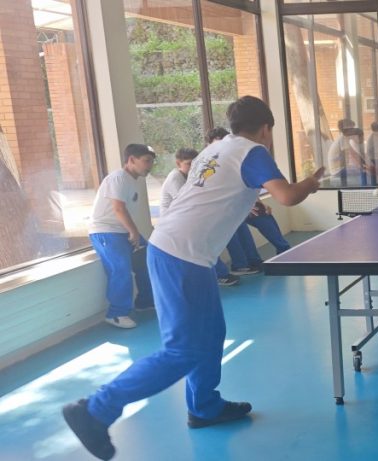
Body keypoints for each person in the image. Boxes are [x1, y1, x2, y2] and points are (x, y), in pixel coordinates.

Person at [62, 96, 325, 461]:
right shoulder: (254, 151)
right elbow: (288, 196)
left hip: (180, 250)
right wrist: (310, 182)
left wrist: (249, 200)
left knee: (212, 333)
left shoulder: (216, 149)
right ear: (266, 129)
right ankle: (94, 409)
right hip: (181, 255)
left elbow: (216, 191)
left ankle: (205, 407)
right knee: (183, 350)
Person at [88, 144, 156, 329]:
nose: (150, 166)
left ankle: (145, 301)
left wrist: (132, 231)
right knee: (121, 269)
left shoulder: (132, 181)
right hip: (106, 231)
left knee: (149, 259)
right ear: (131, 160)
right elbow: (118, 209)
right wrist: (134, 232)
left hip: (122, 231)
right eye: (146, 161)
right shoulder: (118, 178)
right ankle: (116, 313)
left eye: (151, 162)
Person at [160, 147, 239, 287]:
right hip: (173, 223)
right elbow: (188, 201)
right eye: (188, 164)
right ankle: (220, 274)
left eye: (195, 163)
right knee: (203, 243)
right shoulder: (175, 178)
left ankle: (221, 272)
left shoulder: (193, 176)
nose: (192, 167)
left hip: (186, 218)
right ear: (178, 163)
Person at [206, 127, 261, 275]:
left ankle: (253, 260)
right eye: (216, 143)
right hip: (211, 212)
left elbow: (243, 185)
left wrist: (251, 204)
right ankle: (239, 265)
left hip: (229, 208)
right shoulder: (206, 163)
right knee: (229, 228)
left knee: (250, 221)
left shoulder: (232, 160)